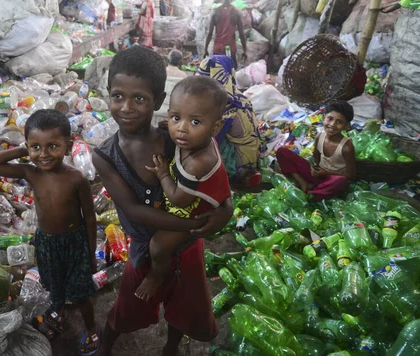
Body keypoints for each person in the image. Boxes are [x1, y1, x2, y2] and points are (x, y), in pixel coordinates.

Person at [92, 46, 233, 356]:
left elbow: (214, 183)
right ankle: (106, 346)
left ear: (157, 101)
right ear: (108, 95)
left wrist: (225, 211)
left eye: (139, 99)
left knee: (184, 306)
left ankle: (171, 347)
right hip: (147, 246)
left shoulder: (176, 139)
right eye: (118, 96)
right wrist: (193, 224)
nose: (126, 107)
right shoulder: (106, 156)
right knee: (128, 303)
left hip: (186, 246)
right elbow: (132, 210)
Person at [0, 110, 100, 355]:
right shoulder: (30, 172)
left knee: (82, 293)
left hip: (74, 243)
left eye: (52, 146)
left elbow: (89, 218)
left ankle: (90, 328)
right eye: (37, 147)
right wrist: (25, 150)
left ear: (68, 146)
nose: (44, 154)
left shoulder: (77, 178)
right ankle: (58, 313)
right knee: (53, 284)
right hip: (47, 242)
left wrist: (90, 254)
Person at [138, 76, 232, 300]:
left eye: (195, 122)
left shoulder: (198, 161)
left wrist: (162, 173)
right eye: (175, 117)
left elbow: (180, 200)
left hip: (195, 212)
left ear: (215, 127)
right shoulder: (194, 141)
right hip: (194, 196)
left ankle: (156, 275)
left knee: (158, 246)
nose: (181, 129)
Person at [197, 54, 261, 185]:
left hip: (240, 164)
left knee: (201, 141)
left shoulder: (226, 104)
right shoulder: (237, 95)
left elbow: (211, 139)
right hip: (252, 156)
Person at [276, 100, 356, 201]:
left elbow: (352, 175)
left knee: (341, 181)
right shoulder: (320, 136)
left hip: (332, 178)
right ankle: (303, 183)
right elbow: (315, 158)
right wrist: (314, 168)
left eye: (339, 122)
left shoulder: (346, 146)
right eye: (329, 119)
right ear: (323, 118)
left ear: (347, 126)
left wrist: (326, 173)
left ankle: (313, 194)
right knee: (282, 152)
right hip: (318, 176)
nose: (332, 124)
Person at [204, 0, 247, 69]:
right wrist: (245, 51)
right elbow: (242, 34)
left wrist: (206, 49)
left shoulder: (215, 12)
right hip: (230, 47)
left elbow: (209, 33)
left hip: (218, 48)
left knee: (216, 71)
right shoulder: (236, 12)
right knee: (231, 70)